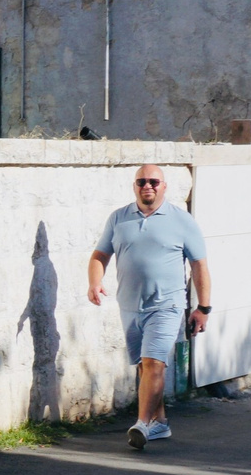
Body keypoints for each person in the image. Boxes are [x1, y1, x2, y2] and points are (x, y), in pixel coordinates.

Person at [89, 163, 211, 452]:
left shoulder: (182, 221)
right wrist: (94, 282)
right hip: (130, 306)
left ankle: (142, 424)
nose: (148, 186)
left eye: (154, 182)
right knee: (144, 366)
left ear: (164, 186)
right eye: (142, 181)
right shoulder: (119, 218)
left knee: (155, 362)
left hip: (167, 304)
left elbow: (199, 266)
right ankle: (160, 422)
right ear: (134, 186)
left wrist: (203, 307)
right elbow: (99, 255)